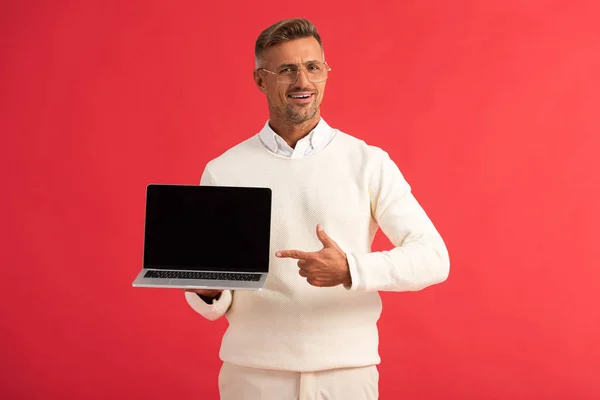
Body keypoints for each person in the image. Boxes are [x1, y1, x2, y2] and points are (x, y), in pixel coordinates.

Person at [184, 17, 450, 400]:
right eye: (287, 70)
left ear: (326, 73)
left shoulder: (368, 162)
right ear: (261, 80)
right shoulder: (224, 170)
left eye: (313, 67)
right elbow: (214, 300)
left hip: (346, 376)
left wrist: (351, 269)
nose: (303, 82)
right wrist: (206, 290)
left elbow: (434, 258)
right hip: (252, 376)